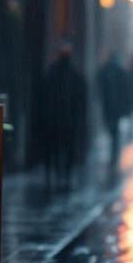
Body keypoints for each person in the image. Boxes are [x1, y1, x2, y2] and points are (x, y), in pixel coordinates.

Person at [39, 42, 87, 189]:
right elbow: (81, 99)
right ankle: (62, 175)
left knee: (55, 149)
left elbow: (43, 97)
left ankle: (57, 175)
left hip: (57, 120)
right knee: (64, 149)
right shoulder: (73, 75)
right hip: (65, 120)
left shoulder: (52, 74)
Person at [96, 51, 130, 162]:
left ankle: (114, 150)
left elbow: (99, 83)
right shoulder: (120, 71)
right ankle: (114, 151)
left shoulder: (105, 70)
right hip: (116, 106)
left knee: (111, 127)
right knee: (114, 129)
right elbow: (125, 90)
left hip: (108, 105)